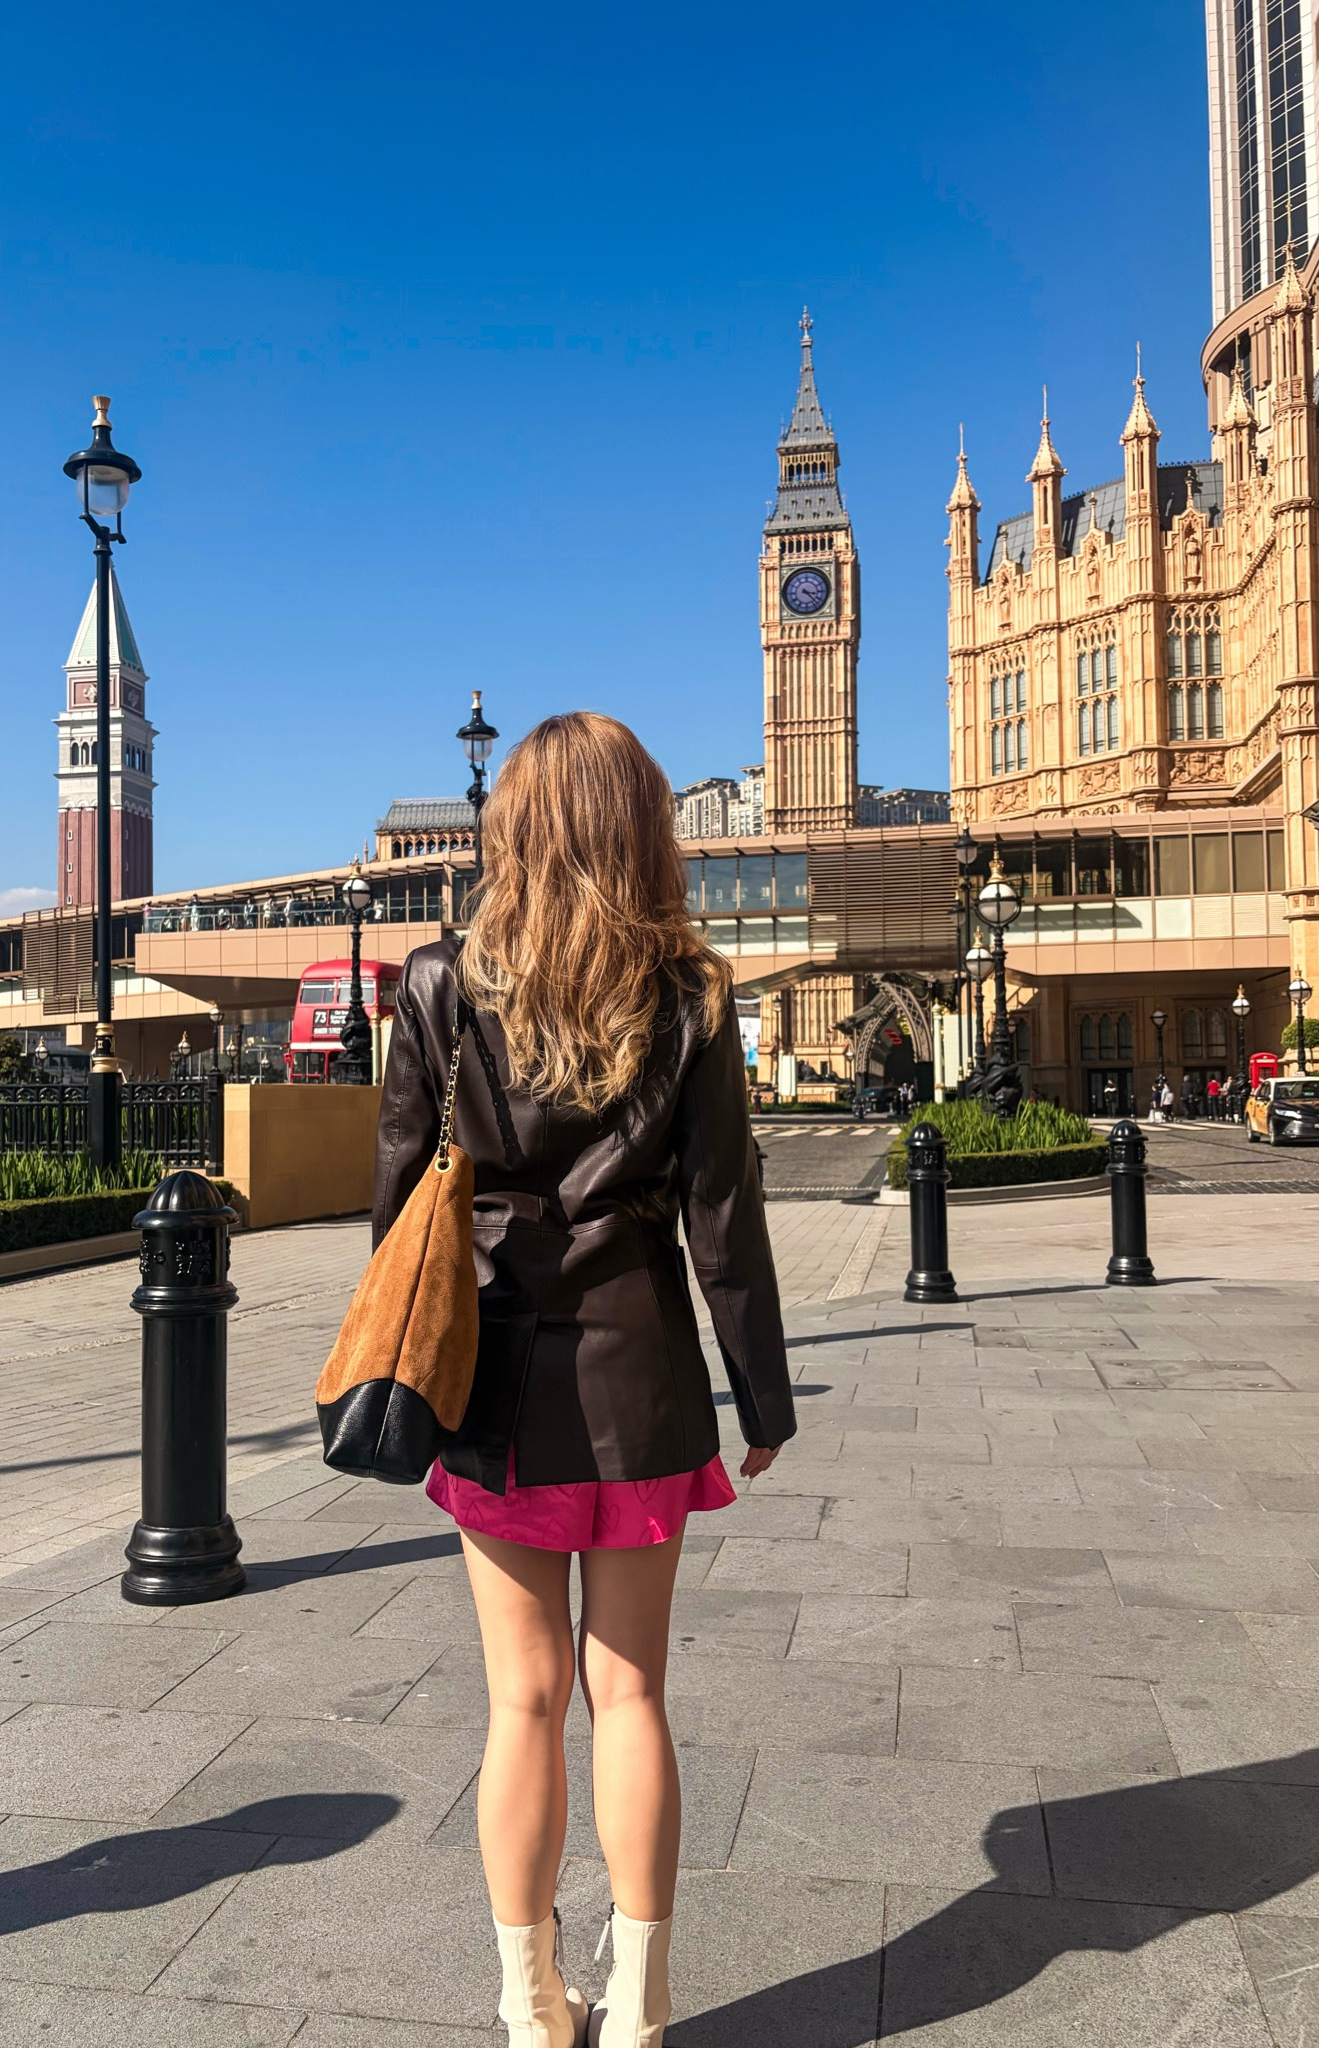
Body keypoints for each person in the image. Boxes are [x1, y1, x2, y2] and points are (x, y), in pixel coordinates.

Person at [373, 713, 795, 2048]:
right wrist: (762, 1396)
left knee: (523, 1699)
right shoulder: (690, 995)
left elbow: (398, 1209)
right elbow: (723, 1213)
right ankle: (645, 2001)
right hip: (643, 1377)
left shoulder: (439, 986)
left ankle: (531, 2001)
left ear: (513, 828)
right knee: (633, 1695)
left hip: (491, 1384)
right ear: (640, 830)